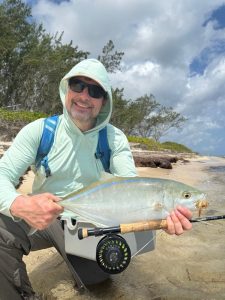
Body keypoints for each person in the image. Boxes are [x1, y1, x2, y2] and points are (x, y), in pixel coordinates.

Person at [0, 58, 192, 299]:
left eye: (95, 90)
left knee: (100, 287)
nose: (84, 95)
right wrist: (19, 203)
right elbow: (2, 174)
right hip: (43, 216)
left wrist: (162, 216)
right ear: (66, 89)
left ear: (104, 102)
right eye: (78, 85)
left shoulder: (114, 138)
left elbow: (132, 187)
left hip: (91, 226)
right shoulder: (40, 131)